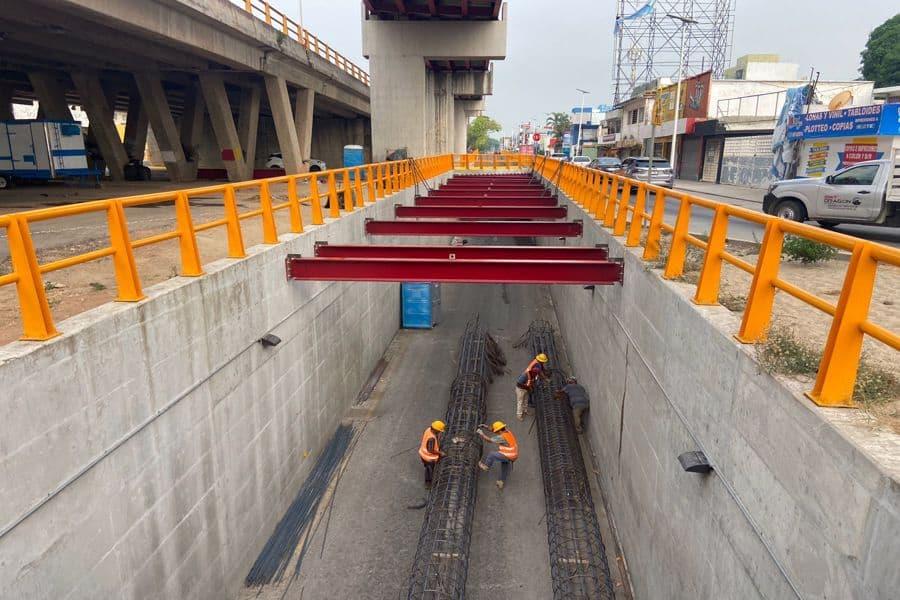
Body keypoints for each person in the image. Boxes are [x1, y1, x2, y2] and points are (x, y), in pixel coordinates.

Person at [477, 421, 519, 490]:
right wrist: (485, 426)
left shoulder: (502, 437)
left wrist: (481, 434)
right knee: (504, 466)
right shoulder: (507, 431)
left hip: (509, 454)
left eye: (497, 431)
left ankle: (486, 467)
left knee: (492, 454)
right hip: (514, 454)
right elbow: (494, 430)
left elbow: (489, 440)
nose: (495, 432)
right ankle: (501, 482)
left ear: (499, 430)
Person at [515, 353, 549, 420]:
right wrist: (528, 388)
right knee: (520, 402)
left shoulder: (537, 364)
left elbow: (541, 370)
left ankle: (525, 411)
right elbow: (519, 383)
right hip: (520, 389)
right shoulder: (526, 376)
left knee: (526, 400)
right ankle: (519, 415)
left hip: (526, 387)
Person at [418, 420, 446, 489]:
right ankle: (428, 483)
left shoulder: (428, 429)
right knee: (429, 470)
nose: (440, 432)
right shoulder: (431, 439)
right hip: (428, 458)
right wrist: (440, 453)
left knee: (428, 467)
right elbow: (431, 450)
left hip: (423, 454)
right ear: (436, 430)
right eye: (439, 431)